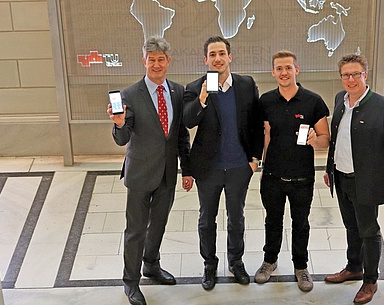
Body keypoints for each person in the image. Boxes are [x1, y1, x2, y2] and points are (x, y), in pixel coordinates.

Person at [109, 36, 193, 305]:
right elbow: (122, 139)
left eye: (161, 59)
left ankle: (151, 266)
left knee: (158, 224)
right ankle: (131, 283)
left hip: (168, 173)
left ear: (169, 61)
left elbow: (181, 135)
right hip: (140, 175)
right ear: (143, 60)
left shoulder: (179, 92)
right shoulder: (129, 95)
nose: (156, 64)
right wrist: (119, 123)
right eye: (151, 59)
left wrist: (187, 169)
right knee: (135, 230)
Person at [323, 54, 384, 304]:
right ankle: (353, 267)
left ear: (365, 75)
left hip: (366, 180)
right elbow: (337, 139)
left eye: (355, 74)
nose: (350, 79)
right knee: (351, 226)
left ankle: (370, 280)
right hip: (341, 175)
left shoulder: (383, 105)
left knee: (369, 231)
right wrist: (330, 168)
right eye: (346, 75)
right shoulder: (340, 100)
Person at [183, 36, 263, 290]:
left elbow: (256, 124)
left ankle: (236, 262)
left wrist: (255, 159)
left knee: (236, 218)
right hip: (208, 169)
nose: (217, 58)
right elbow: (188, 121)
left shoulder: (246, 84)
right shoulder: (195, 87)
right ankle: (209, 264)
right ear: (205, 60)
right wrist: (203, 97)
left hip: (240, 165)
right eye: (212, 55)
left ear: (230, 57)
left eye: (221, 53)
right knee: (207, 219)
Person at [254, 50, 330, 292]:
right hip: (273, 176)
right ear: (273, 72)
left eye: (288, 68)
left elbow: (325, 138)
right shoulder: (265, 101)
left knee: (301, 223)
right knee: (272, 221)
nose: (284, 72)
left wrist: (313, 140)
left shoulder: (313, 101)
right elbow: (264, 135)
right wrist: (260, 165)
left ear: (297, 70)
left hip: (302, 178)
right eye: (279, 68)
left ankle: (301, 266)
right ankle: (269, 261)